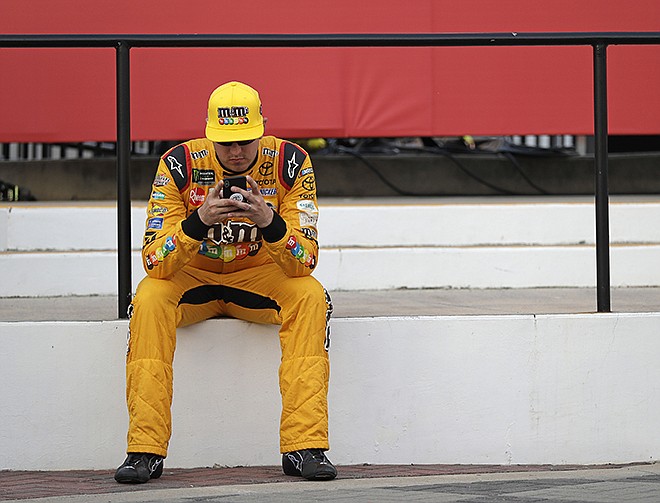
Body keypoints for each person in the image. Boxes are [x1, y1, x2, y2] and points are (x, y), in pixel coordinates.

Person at [114, 81, 336, 483]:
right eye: (225, 143)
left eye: (246, 141)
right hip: (192, 274)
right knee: (148, 298)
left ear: (263, 128)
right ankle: (143, 450)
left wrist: (269, 222)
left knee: (310, 296)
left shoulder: (291, 161)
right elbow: (153, 261)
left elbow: (306, 261)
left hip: (259, 274)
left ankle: (305, 446)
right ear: (207, 133)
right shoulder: (178, 162)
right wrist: (199, 222)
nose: (235, 153)